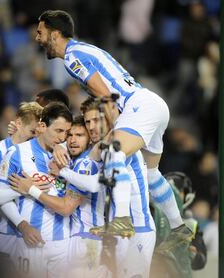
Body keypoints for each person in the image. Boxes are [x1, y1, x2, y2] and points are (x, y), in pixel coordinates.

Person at [36, 10, 190, 247]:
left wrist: (111, 131)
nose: (37, 38)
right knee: (151, 174)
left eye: (40, 32)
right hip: (152, 104)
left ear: (55, 34)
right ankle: (179, 226)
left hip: (138, 107)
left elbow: (107, 95)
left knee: (112, 151)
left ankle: (122, 220)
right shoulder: (83, 50)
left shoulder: (72, 57)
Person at [50, 98, 156, 277]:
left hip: (138, 229)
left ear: (107, 119)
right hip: (117, 230)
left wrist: (63, 172)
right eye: (88, 122)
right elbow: (81, 145)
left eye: (96, 121)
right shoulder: (103, 147)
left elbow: (93, 184)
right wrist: (58, 146)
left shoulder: (121, 146)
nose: (91, 127)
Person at [9, 115, 107, 277]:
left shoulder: (85, 164)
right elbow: (50, 138)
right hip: (82, 238)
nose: (73, 140)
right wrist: (57, 147)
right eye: (70, 135)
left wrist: (31, 189)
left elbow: (66, 207)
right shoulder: (75, 159)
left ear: (90, 140)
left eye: (80, 135)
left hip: (86, 239)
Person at [0, 102, 73, 277]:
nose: (63, 138)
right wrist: (23, 226)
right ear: (42, 126)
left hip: (62, 242)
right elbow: (1, 196)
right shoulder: (16, 153)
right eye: (59, 131)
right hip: (31, 239)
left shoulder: (70, 156)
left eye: (66, 132)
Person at [0, 102, 44, 259]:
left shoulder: (42, 155)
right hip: (8, 237)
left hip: (40, 236)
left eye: (38, 133)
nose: (35, 137)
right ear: (19, 123)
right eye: (32, 132)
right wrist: (23, 189)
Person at [150, 172, 207, 278]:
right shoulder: (153, 214)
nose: (173, 194)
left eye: (179, 190)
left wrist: (192, 256)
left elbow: (201, 261)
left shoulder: (191, 224)